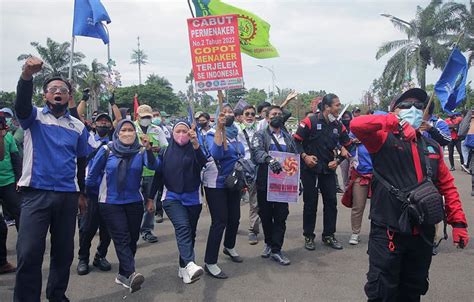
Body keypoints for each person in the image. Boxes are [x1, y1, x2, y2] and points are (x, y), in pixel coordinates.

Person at [351, 88, 469, 301]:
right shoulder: (381, 139)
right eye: (406, 106)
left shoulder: (432, 148)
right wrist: (393, 123)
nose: (413, 110)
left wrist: (458, 223)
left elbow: (448, 186)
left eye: (419, 107)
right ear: (394, 111)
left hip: (421, 234)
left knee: (412, 290)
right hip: (388, 231)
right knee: (382, 292)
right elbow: (356, 125)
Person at [14, 56, 89, 302]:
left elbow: (80, 162)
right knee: (28, 252)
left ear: (69, 97)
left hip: (67, 196)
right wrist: (26, 75)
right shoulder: (32, 117)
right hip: (35, 194)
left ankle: (57, 295)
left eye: (63, 90)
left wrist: (81, 194)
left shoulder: (78, 127)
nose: (58, 92)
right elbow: (22, 105)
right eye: (53, 90)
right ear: (45, 95)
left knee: (64, 253)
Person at [86, 119, 157, 293]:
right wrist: (96, 197)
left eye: (130, 130)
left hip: (133, 201)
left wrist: (148, 149)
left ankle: (123, 274)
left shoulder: (140, 151)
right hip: (110, 202)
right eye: (123, 130)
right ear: (117, 132)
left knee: (132, 239)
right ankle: (131, 274)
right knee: (122, 238)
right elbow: (91, 177)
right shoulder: (106, 150)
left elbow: (153, 166)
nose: (127, 133)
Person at [294, 93, 353, 251]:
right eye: (336, 105)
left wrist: (339, 161)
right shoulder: (310, 121)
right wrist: (305, 156)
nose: (339, 108)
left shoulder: (338, 125)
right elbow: (295, 142)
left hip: (328, 170)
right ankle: (308, 236)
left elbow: (350, 145)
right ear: (327, 107)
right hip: (310, 170)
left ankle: (329, 235)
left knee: (331, 203)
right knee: (311, 203)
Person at [152, 120, 207, 283]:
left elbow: (203, 162)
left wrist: (196, 144)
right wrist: (150, 198)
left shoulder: (195, 149)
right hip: (172, 197)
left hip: (193, 198)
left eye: (184, 131)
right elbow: (158, 175)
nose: (181, 135)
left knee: (190, 233)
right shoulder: (165, 151)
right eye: (178, 131)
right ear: (172, 133)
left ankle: (184, 268)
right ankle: (190, 263)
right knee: (182, 227)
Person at [251, 105, 298, 265]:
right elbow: (256, 152)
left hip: (283, 185)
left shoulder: (288, 137)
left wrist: (297, 181)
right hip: (265, 182)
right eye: (273, 114)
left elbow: (294, 158)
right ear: (267, 117)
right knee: (265, 215)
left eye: (279, 113)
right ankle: (268, 243)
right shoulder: (260, 135)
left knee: (281, 215)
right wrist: (269, 159)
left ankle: (277, 249)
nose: (277, 116)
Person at [202, 103, 244, 279]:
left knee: (234, 218)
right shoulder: (212, 134)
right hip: (216, 183)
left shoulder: (236, 133)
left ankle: (229, 246)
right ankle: (210, 262)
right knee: (220, 221)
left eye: (230, 111)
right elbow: (216, 154)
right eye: (224, 112)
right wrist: (219, 129)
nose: (228, 114)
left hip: (233, 182)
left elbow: (241, 153)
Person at [76, 112, 115, 276]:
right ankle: (83, 258)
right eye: (100, 121)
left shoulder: (115, 143)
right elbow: (75, 117)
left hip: (109, 192)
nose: (103, 123)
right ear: (93, 124)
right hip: (90, 191)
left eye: (107, 121)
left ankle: (100, 256)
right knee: (87, 229)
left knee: (108, 230)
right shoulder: (87, 140)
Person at [135, 105, 168, 243]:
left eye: (149, 117)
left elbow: (166, 146)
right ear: (137, 116)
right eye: (144, 117)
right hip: (134, 171)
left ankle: (147, 230)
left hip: (151, 171)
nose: (147, 119)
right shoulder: (130, 128)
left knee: (150, 202)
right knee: (135, 203)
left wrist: (157, 148)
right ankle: (133, 232)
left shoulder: (157, 129)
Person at [0, 113, 22, 272]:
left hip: (8, 182)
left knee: (20, 213)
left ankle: (26, 247)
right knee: (1, 227)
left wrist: (18, 180)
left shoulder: (8, 138)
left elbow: (15, 159)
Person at [237, 105, 260, 245]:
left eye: (252, 113)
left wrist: (286, 101)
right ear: (242, 116)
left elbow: (277, 114)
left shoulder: (260, 128)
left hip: (255, 169)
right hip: (240, 168)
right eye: (247, 114)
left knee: (254, 201)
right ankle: (232, 224)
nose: (250, 116)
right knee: (234, 200)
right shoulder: (236, 128)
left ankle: (253, 230)